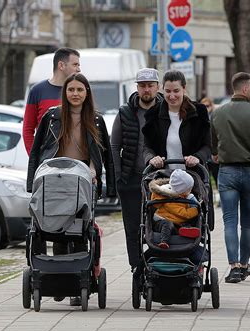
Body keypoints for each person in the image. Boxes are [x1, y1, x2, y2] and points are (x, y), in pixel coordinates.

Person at [26, 73, 116, 306]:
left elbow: (106, 155)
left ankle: (78, 283)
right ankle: (56, 278)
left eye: (80, 90)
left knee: (80, 230)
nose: (75, 94)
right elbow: (37, 150)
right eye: (71, 90)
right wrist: (32, 182)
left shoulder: (96, 120)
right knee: (56, 228)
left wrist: (107, 184)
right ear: (65, 93)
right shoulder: (52, 116)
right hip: (55, 180)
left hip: (84, 181)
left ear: (87, 93)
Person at [210, 72, 250, 283]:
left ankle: (233, 266)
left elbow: (213, 145)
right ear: (244, 89)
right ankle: (244, 264)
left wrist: (218, 153)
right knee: (248, 223)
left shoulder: (218, 113)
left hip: (227, 172)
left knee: (230, 221)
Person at [111, 68, 163, 272]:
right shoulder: (125, 112)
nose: (146, 89)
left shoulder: (165, 111)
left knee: (160, 224)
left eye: (150, 85)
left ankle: (158, 264)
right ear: (137, 88)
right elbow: (115, 146)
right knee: (132, 227)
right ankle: (136, 266)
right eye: (142, 86)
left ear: (157, 87)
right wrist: (118, 177)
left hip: (160, 180)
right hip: (131, 179)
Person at [142, 69, 211, 170]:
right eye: (168, 91)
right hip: (163, 178)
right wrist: (152, 158)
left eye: (176, 91)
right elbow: (146, 147)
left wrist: (197, 157)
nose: (172, 96)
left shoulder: (199, 112)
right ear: (162, 89)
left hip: (194, 176)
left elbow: (208, 146)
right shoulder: (153, 114)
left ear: (184, 88)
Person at [23, 47, 81, 155]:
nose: (78, 69)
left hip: (75, 162)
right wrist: (34, 158)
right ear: (61, 65)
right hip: (46, 162)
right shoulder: (37, 91)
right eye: (75, 65)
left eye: (78, 65)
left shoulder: (78, 93)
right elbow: (28, 129)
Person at [150, 169, 200, 249]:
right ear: (181, 191)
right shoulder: (170, 200)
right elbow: (184, 214)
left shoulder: (181, 196)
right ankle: (164, 241)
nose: (190, 191)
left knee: (184, 224)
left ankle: (186, 230)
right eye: (189, 189)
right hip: (162, 221)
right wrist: (196, 210)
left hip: (176, 222)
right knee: (167, 224)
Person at [200, 96, 219, 186]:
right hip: (205, 156)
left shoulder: (215, 117)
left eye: (207, 106)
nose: (206, 108)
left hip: (214, 155)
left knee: (218, 180)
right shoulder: (200, 117)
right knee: (206, 182)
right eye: (204, 106)